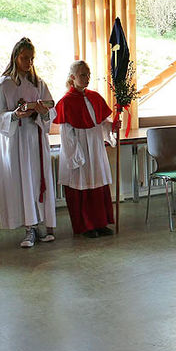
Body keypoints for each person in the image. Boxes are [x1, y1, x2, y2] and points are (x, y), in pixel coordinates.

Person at [0, 38, 57, 249]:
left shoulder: (39, 83)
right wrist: (15, 114)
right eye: (24, 58)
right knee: (24, 181)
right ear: (15, 57)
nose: (28, 62)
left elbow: (51, 110)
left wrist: (43, 112)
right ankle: (29, 227)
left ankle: (42, 225)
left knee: (38, 180)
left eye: (31, 58)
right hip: (16, 140)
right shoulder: (4, 84)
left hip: (35, 138)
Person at [53, 60, 118, 238]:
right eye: (83, 75)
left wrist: (112, 127)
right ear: (73, 77)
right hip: (79, 149)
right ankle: (86, 226)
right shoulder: (66, 102)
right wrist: (76, 156)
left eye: (88, 74)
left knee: (98, 184)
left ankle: (101, 223)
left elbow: (103, 123)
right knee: (82, 186)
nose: (87, 78)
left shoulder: (95, 97)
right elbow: (66, 133)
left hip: (95, 147)